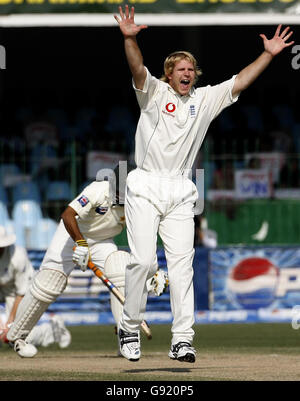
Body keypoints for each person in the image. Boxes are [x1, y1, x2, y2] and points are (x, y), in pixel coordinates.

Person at [114, 5, 294, 362]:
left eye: (191, 69)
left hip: (181, 189)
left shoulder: (204, 99)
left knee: (182, 266)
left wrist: (268, 54)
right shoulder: (152, 92)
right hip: (145, 184)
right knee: (145, 261)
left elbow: (239, 81)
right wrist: (130, 39)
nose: (187, 73)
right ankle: (129, 325)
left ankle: (182, 339)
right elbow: (137, 68)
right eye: (180, 69)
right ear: (168, 75)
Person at [6, 166, 168, 358]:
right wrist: (81, 243)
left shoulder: (140, 202)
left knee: (120, 271)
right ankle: (17, 337)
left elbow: (143, 237)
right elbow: (67, 215)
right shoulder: (97, 190)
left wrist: (151, 270)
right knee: (48, 283)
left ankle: (125, 339)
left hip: (103, 241)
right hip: (71, 235)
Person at [0, 226, 70, 355]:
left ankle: (52, 331)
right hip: (3, 289)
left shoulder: (17, 256)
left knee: (13, 336)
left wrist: (10, 324)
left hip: (19, 292)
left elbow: (21, 293)